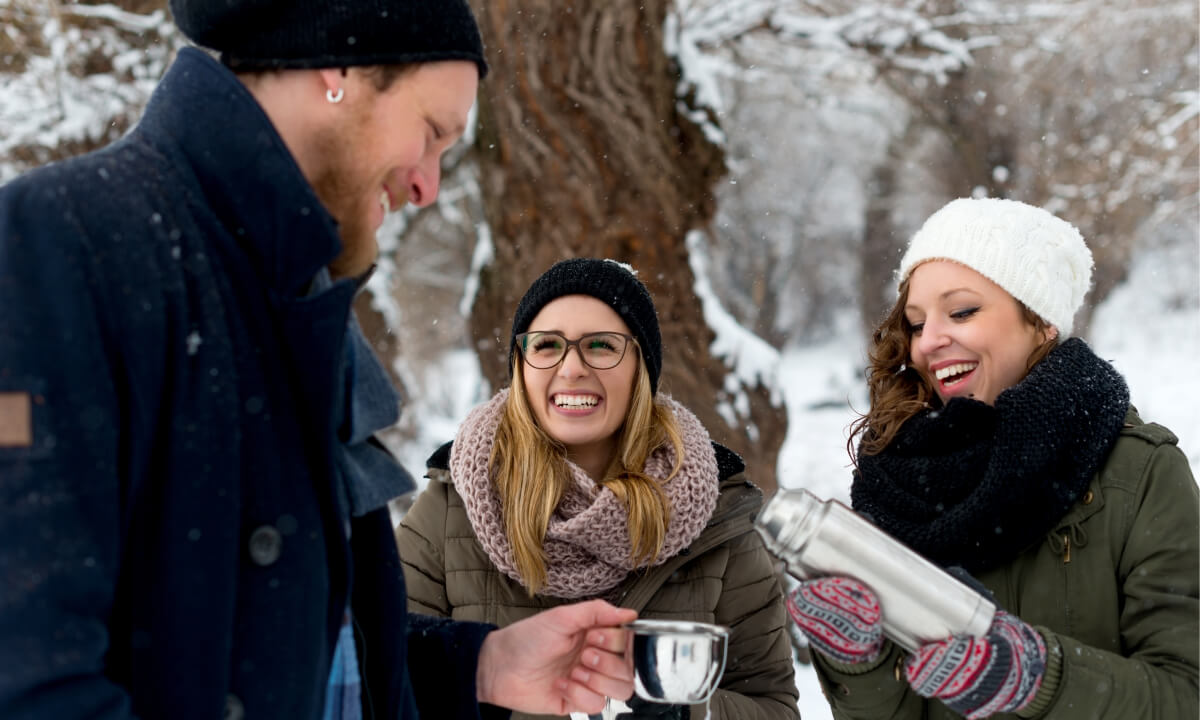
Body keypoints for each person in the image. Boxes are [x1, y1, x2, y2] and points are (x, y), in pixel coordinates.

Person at [0, 2, 638, 719]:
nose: (427, 186)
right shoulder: (58, 247)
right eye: (430, 134)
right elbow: (28, 673)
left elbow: (297, 641)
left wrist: (479, 666)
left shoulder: (307, 299)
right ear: (336, 71)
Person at [784, 197, 1199, 719]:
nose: (927, 343)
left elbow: (1187, 697)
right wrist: (861, 665)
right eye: (915, 323)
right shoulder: (900, 480)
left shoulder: (1138, 473)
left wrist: (1039, 678)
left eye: (962, 311)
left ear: (1041, 321)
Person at [396, 257, 801, 720]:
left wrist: (684, 710)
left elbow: (775, 707)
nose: (571, 369)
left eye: (601, 346)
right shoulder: (451, 509)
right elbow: (379, 678)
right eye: (547, 346)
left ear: (640, 368)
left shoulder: (716, 520)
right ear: (521, 366)